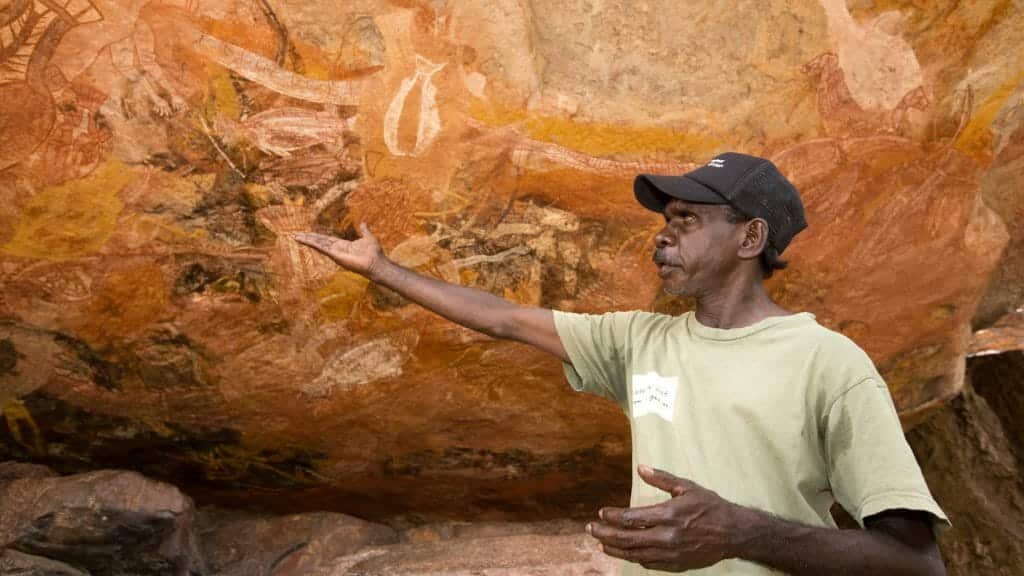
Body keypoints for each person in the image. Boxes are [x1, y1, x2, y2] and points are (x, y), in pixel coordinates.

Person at [295, 152, 948, 575]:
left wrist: (742, 533)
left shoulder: (828, 364)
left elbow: (916, 563)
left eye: (688, 220)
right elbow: (503, 318)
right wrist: (383, 270)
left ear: (751, 237)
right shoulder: (641, 342)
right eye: (665, 220)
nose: (663, 235)